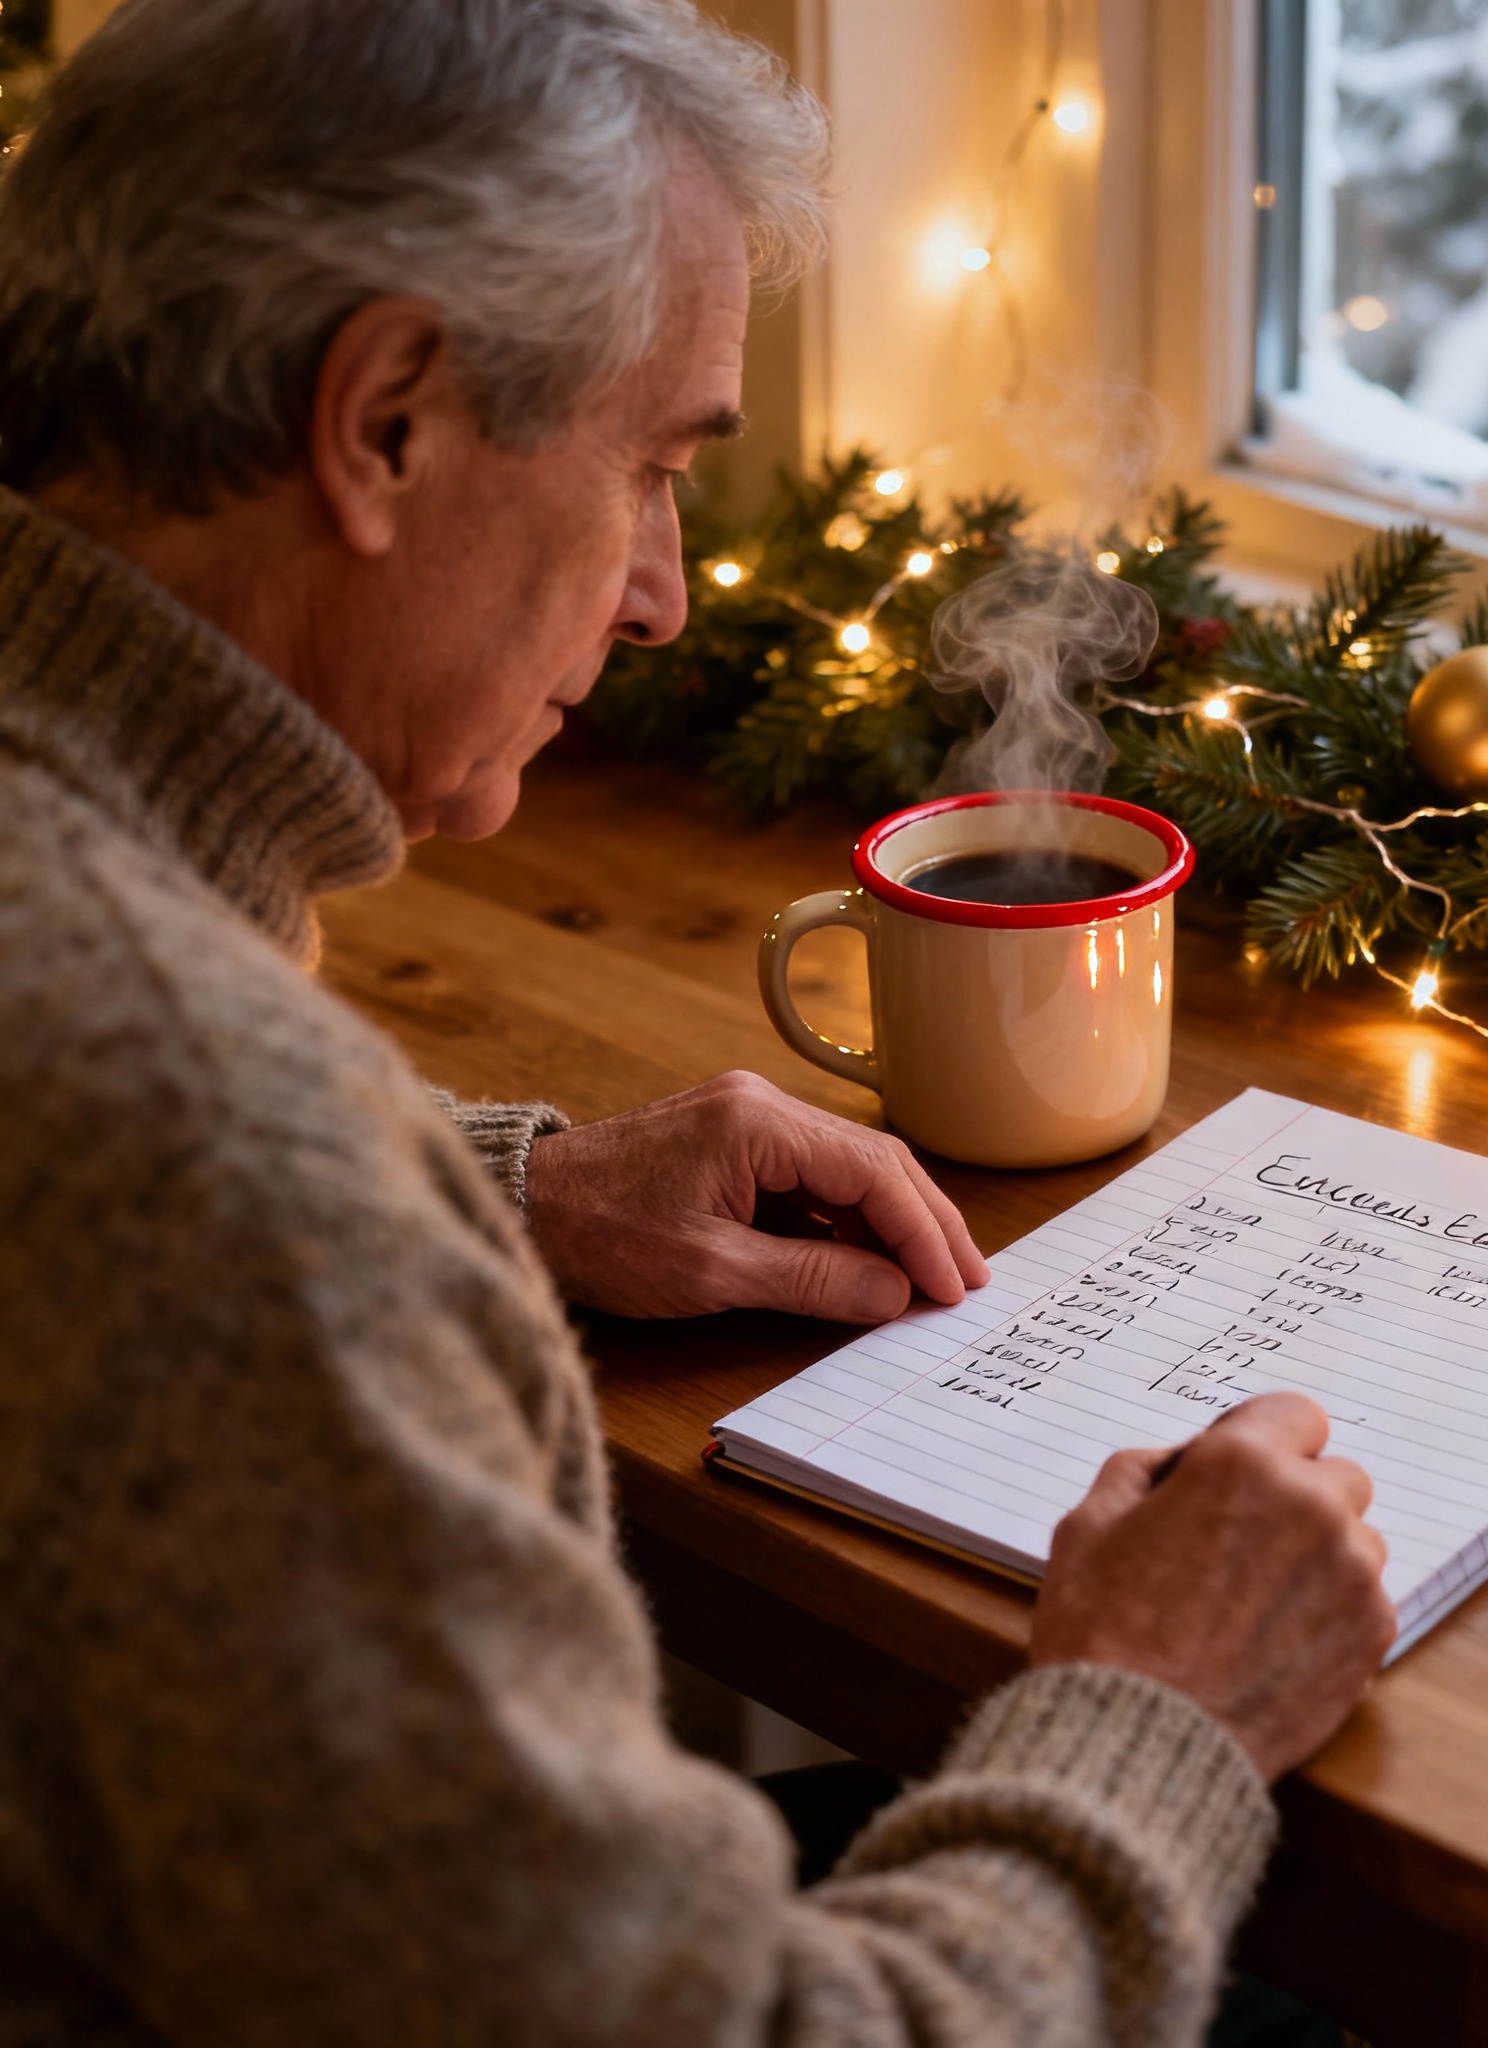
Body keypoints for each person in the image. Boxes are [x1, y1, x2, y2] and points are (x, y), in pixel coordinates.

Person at [0, 2, 1398, 2043]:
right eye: (651, 464)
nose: (659, 593)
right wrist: (1150, 1706)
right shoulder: (223, 1169)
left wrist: (504, 1191)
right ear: (384, 416)